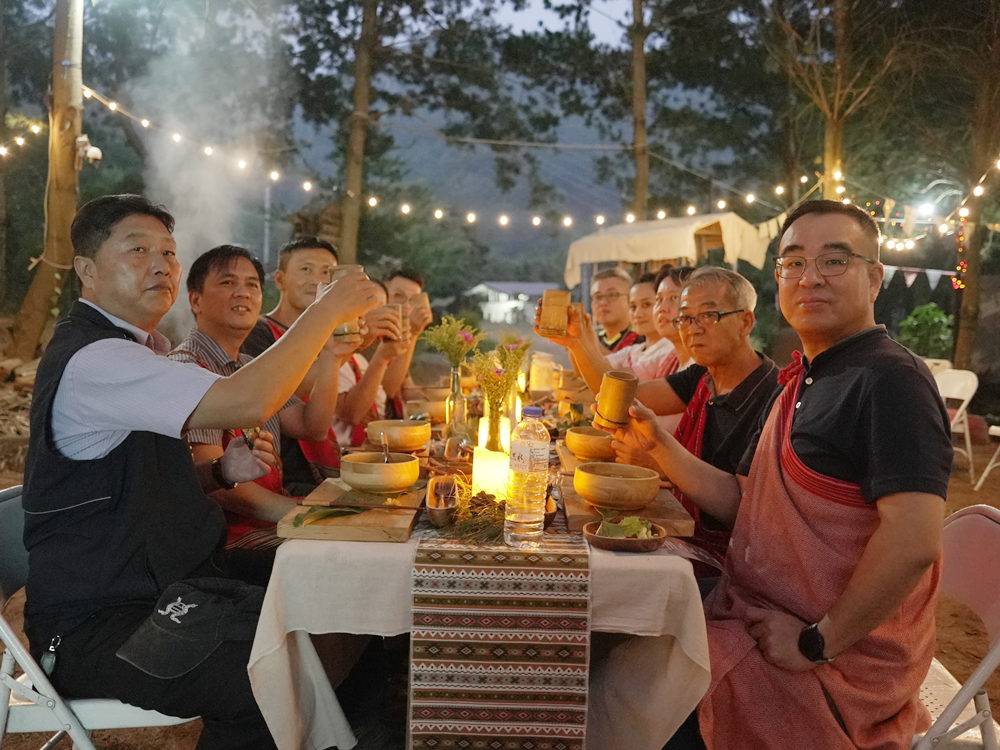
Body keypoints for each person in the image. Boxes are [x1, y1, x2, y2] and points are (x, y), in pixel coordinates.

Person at [21, 194, 380, 750]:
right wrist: (327, 310)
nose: (161, 262)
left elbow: (131, 481)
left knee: (338, 594)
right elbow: (250, 401)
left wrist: (219, 476)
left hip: (173, 582)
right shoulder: (95, 358)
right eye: (138, 249)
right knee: (261, 676)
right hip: (97, 623)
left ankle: (351, 731)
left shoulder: (138, 353)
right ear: (87, 271)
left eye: (168, 249)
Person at [605, 200, 953, 750]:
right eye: (793, 262)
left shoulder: (891, 381)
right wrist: (655, 445)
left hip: (834, 659)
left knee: (627, 688)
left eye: (834, 260)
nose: (810, 276)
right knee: (618, 624)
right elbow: (749, 502)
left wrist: (818, 642)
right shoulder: (807, 378)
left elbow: (913, 540)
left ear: (874, 277)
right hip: (759, 606)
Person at [170, 244, 353, 549]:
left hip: (271, 512)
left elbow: (312, 427)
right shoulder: (188, 366)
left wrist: (332, 358)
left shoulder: (250, 366)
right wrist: (301, 514)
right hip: (227, 533)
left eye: (252, 284)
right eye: (228, 283)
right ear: (195, 300)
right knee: (344, 549)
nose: (243, 292)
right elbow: (220, 488)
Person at [623, 267, 779, 574]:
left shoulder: (772, 395)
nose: (693, 329)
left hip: (733, 564)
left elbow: (740, 507)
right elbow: (628, 396)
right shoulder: (704, 376)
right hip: (681, 530)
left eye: (709, 316)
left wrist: (659, 450)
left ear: (746, 322)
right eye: (685, 318)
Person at [240, 236, 352, 494]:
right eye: (305, 269)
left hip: (323, 467)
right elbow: (278, 392)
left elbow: (319, 427)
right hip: (288, 477)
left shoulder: (328, 333)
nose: (317, 280)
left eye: (327, 272)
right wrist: (333, 355)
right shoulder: (257, 333)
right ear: (280, 280)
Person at [590, 266, 642, 352]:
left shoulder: (642, 338)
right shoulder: (595, 337)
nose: (603, 303)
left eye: (612, 295)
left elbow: (615, 364)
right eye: (598, 297)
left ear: (630, 299)